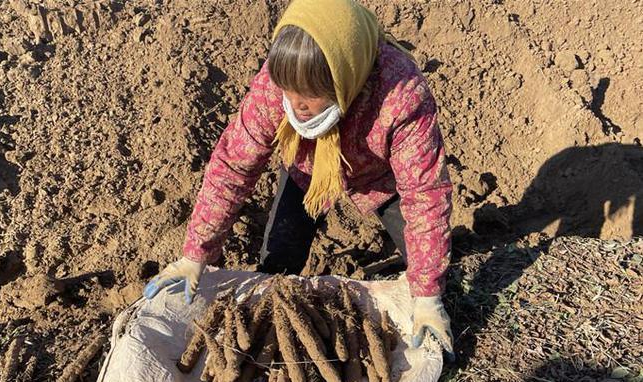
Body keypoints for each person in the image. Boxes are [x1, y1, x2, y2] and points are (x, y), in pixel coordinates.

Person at [143, 0, 454, 358]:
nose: (296, 104)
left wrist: (428, 293)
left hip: (380, 178)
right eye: (288, 90)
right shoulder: (275, 87)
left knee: (431, 273)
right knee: (277, 271)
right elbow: (233, 166)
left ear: (343, 77)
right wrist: (196, 254)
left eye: (309, 94)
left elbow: (425, 194)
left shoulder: (401, 95)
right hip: (307, 170)